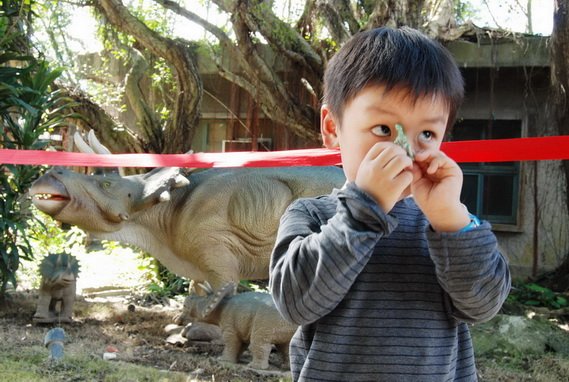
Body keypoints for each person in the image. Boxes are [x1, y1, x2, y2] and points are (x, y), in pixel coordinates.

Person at [269, 26, 511, 382]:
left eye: (426, 134)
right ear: (332, 127)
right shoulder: (312, 215)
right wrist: (364, 209)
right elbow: (295, 302)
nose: (405, 151)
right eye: (383, 129)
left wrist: (451, 218)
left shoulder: (448, 226)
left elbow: (484, 304)